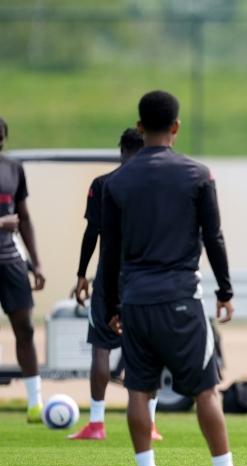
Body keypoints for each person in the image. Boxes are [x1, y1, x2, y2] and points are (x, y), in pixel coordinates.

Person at [102, 90, 247, 466]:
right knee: (206, 389)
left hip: (134, 301)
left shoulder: (116, 182)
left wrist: (111, 306)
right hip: (180, 300)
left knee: (140, 390)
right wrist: (225, 290)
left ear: (140, 127)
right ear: (176, 127)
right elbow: (214, 237)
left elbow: (111, 253)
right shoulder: (197, 174)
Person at [69, 128, 163, 441]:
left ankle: (97, 423)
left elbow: (91, 233)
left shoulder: (103, 184)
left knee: (101, 346)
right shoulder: (156, 186)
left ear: (122, 149)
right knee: (151, 348)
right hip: (148, 275)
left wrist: (82, 274)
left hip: (111, 276)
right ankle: (149, 424)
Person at [0, 117, 46, 423]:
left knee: (26, 328)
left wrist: (36, 261)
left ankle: (35, 403)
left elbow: (24, 217)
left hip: (10, 259)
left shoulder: (13, 169)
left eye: (0, 138)